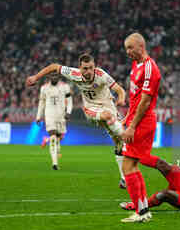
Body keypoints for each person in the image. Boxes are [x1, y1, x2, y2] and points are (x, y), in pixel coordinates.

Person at [26, 53, 127, 187]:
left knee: (119, 144)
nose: (88, 71)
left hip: (108, 106)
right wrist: (36, 77)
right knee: (112, 122)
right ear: (79, 68)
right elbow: (54, 66)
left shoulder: (101, 75)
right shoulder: (74, 74)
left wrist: (121, 98)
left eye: (91, 67)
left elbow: (120, 90)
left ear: (94, 66)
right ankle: (125, 136)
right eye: (85, 68)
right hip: (91, 109)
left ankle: (124, 179)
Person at [120, 32, 165, 223]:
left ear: (141, 46)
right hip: (137, 120)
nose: (128, 52)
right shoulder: (136, 65)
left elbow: (145, 102)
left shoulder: (149, 68)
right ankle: (143, 209)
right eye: (126, 49)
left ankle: (141, 213)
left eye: (130, 48)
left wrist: (131, 126)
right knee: (132, 165)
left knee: (128, 165)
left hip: (143, 122)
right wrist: (127, 119)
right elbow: (136, 97)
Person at [36, 72, 72, 170]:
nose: (54, 77)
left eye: (56, 75)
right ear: (49, 77)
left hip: (61, 115)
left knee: (59, 137)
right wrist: (38, 116)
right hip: (49, 115)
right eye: (52, 76)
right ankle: (54, 164)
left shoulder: (65, 87)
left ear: (59, 77)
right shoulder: (44, 88)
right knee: (53, 136)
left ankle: (48, 142)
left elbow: (69, 101)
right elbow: (41, 102)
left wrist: (68, 112)